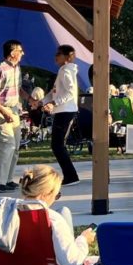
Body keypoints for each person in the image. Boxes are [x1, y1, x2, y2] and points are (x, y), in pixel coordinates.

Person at [17, 164, 96, 265]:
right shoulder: (53, 220)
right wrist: (83, 240)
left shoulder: (5, 215)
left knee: (64, 211)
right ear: (47, 194)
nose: (55, 199)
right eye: (56, 195)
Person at [0, 40, 29, 193]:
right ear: (12, 53)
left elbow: (18, 89)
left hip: (13, 109)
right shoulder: (0, 69)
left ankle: (8, 179)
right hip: (1, 110)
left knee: (15, 147)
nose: (23, 53)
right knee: (7, 145)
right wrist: (4, 112)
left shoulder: (17, 68)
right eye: (20, 50)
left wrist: (30, 99)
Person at [45, 44, 81, 186]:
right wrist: (42, 101)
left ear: (67, 57)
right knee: (57, 145)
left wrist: (54, 103)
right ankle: (70, 175)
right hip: (63, 110)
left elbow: (69, 92)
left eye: (58, 54)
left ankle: (71, 176)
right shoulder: (63, 70)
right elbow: (55, 91)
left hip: (65, 111)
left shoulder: (66, 70)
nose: (56, 56)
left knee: (58, 145)